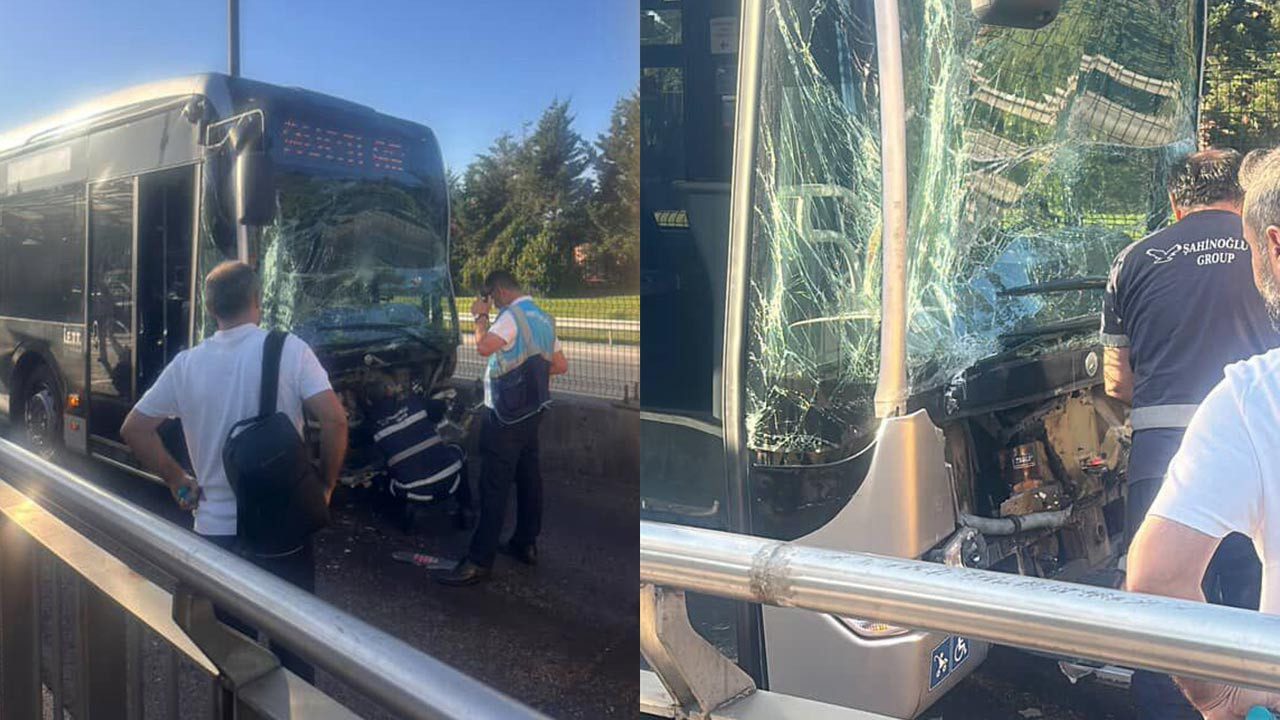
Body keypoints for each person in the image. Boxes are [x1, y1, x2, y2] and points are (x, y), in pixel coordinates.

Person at [1100, 148, 1278, 718]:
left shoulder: (1132, 259)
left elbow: (1116, 380)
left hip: (1163, 454)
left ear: (1176, 201)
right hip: (1262, 462)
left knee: (1165, 630)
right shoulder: (1249, 240)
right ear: (1236, 197)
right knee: (1251, 609)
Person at [120, 261, 348, 681]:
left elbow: (135, 428)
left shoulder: (186, 365)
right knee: (295, 654)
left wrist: (177, 480)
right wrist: (326, 485)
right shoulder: (289, 349)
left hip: (216, 535)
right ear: (257, 302)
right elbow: (334, 421)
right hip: (284, 529)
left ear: (210, 310)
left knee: (233, 661)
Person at [434, 270, 568, 586]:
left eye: (491, 299)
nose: (491, 305)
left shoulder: (509, 317)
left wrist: (479, 318)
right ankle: (525, 543)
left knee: (494, 486)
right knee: (528, 478)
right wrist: (530, 377)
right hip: (533, 412)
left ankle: (479, 561)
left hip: (505, 416)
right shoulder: (544, 318)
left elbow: (483, 347)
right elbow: (560, 365)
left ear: (499, 292)